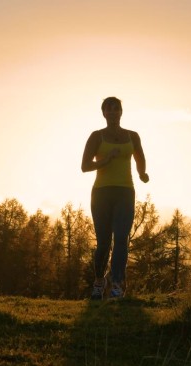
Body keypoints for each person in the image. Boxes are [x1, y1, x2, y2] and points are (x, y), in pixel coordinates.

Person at [81, 96, 149, 299]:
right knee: (103, 242)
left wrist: (142, 173)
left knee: (121, 238)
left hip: (125, 191)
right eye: (108, 110)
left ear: (121, 112)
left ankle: (117, 283)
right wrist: (106, 160)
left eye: (115, 109)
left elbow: (140, 157)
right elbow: (85, 166)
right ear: (103, 113)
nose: (112, 113)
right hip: (101, 192)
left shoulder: (132, 136)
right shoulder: (96, 137)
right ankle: (99, 281)